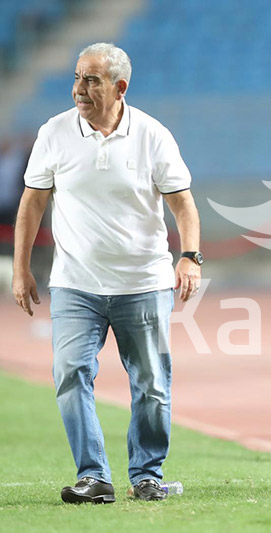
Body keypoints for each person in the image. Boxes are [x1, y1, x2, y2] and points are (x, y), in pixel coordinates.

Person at [12, 43, 202, 503]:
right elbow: (33, 201)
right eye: (77, 78)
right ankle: (94, 475)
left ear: (120, 87)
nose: (79, 88)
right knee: (70, 372)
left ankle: (148, 475)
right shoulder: (53, 133)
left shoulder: (153, 135)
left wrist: (190, 257)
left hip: (144, 283)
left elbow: (183, 203)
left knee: (152, 383)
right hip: (76, 284)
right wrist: (21, 270)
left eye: (91, 80)